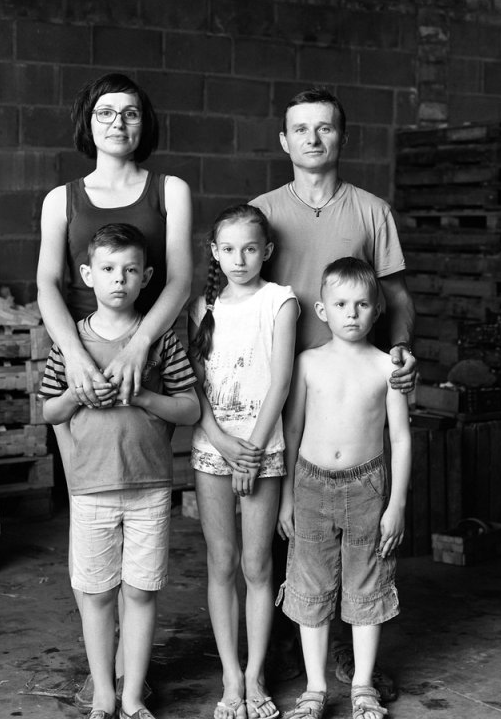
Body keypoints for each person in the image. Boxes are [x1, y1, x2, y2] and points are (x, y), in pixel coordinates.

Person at [249, 87, 415, 694]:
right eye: (301, 129)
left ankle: (344, 652)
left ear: (341, 138)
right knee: (279, 527)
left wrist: (398, 352)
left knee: (358, 534)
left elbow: (395, 297)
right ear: (284, 141)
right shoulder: (262, 212)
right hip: (281, 391)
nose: (313, 139)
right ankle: (277, 650)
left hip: (355, 386)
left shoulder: (372, 211)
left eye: (325, 128)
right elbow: (235, 296)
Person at [36, 72, 193, 709]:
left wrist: (140, 348)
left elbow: (178, 279)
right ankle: (107, 678)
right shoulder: (60, 199)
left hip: (146, 354)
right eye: (105, 112)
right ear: (87, 121)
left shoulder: (170, 190)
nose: (118, 123)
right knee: (94, 528)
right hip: (82, 358)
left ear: (143, 123)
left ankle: (131, 680)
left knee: (142, 548)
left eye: (130, 113)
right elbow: (49, 283)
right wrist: (74, 356)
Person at [277, 257, 412, 719]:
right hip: (311, 484)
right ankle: (314, 688)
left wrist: (396, 505)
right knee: (310, 585)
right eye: (340, 303)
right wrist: (286, 497)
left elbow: (400, 438)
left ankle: (362, 686)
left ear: (377, 312)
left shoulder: (384, 367)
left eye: (361, 304)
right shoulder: (307, 364)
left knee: (366, 585)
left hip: (367, 488)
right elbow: (291, 434)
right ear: (322, 310)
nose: (351, 313)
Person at [188, 205, 299, 719]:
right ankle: (230, 675)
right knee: (221, 561)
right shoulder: (200, 308)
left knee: (258, 565)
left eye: (250, 248)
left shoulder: (280, 302)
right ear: (214, 253)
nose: (239, 258)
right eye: (228, 249)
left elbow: (279, 383)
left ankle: (256, 673)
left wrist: (252, 451)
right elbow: (195, 388)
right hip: (213, 451)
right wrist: (223, 443)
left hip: (264, 451)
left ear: (267, 252)